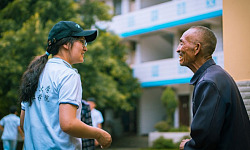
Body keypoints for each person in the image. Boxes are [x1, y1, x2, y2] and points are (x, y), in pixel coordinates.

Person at [19, 21, 112, 149]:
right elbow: (68, 124)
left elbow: (23, 123)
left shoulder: (34, 73)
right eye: (82, 42)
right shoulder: (68, 75)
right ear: (66, 44)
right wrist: (99, 134)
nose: (85, 48)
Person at [177, 26, 250, 150]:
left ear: (196, 48)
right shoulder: (216, 75)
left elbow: (205, 140)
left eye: (182, 43)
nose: (178, 49)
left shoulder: (209, 82)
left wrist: (188, 146)